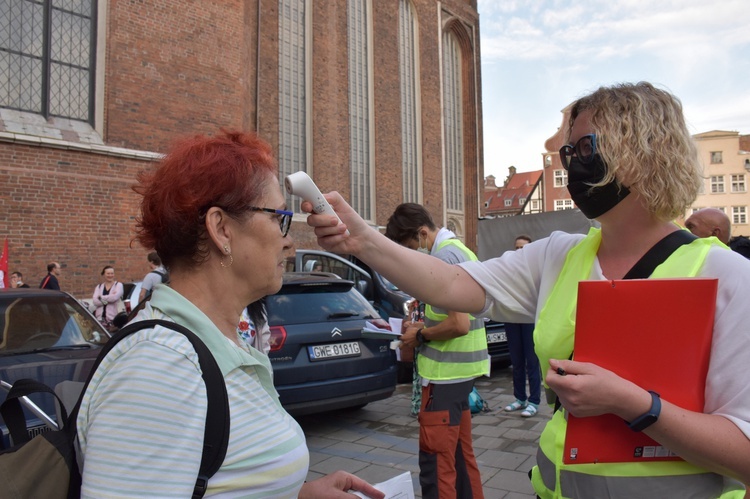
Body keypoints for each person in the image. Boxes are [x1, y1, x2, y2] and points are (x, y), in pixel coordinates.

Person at [304, 82, 750, 497]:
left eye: (584, 147)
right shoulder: (558, 255)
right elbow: (453, 284)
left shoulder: (726, 276)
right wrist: (361, 238)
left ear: (644, 149)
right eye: (567, 150)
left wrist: (633, 403)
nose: (569, 160)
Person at [75, 130, 384, 499]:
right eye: (279, 218)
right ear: (221, 229)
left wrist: (297, 495)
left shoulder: (216, 344)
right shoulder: (161, 365)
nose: (288, 240)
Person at [385, 202, 488, 499]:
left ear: (422, 233)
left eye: (408, 246)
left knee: (436, 463)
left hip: (445, 374)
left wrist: (421, 335)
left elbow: (458, 324)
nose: (410, 253)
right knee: (459, 458)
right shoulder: (462, 251)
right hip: (460, 374)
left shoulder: (444, 258)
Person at [503, 235, 541, 418]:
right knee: (516, 362)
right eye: (517, 247)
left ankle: (534, 401)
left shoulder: (536, 269)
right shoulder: (509, 268)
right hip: (512, 318)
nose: (519, 251)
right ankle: (520, 398)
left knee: (532, 362)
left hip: (530, 320)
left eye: (523, 248)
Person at [91, 265, 125, 330]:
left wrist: (101, 298)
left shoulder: (118, 285)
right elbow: (95, 301)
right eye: (108, 273)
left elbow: (114, 298)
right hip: (100, 321)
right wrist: (108, 299)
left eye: (112, 273)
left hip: (114, 321)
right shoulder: (99, 286)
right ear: (104, 274)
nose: (110, 275)